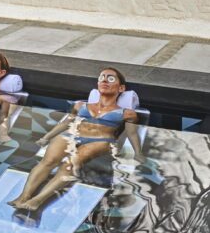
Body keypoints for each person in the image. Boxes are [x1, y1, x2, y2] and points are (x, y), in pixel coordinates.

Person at [7, 67, 139, 214]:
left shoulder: (127, 113)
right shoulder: (81, 105)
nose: (105, 80)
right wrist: (47, 136)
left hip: (101, 140)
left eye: (111, 78)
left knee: (69, 164)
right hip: (73, 135)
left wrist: (138, 153)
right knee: (47, 162)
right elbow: (66, 122)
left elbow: (132, 134)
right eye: (102, 77)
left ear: (121, 88)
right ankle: (23, 196)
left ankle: (38, 199)